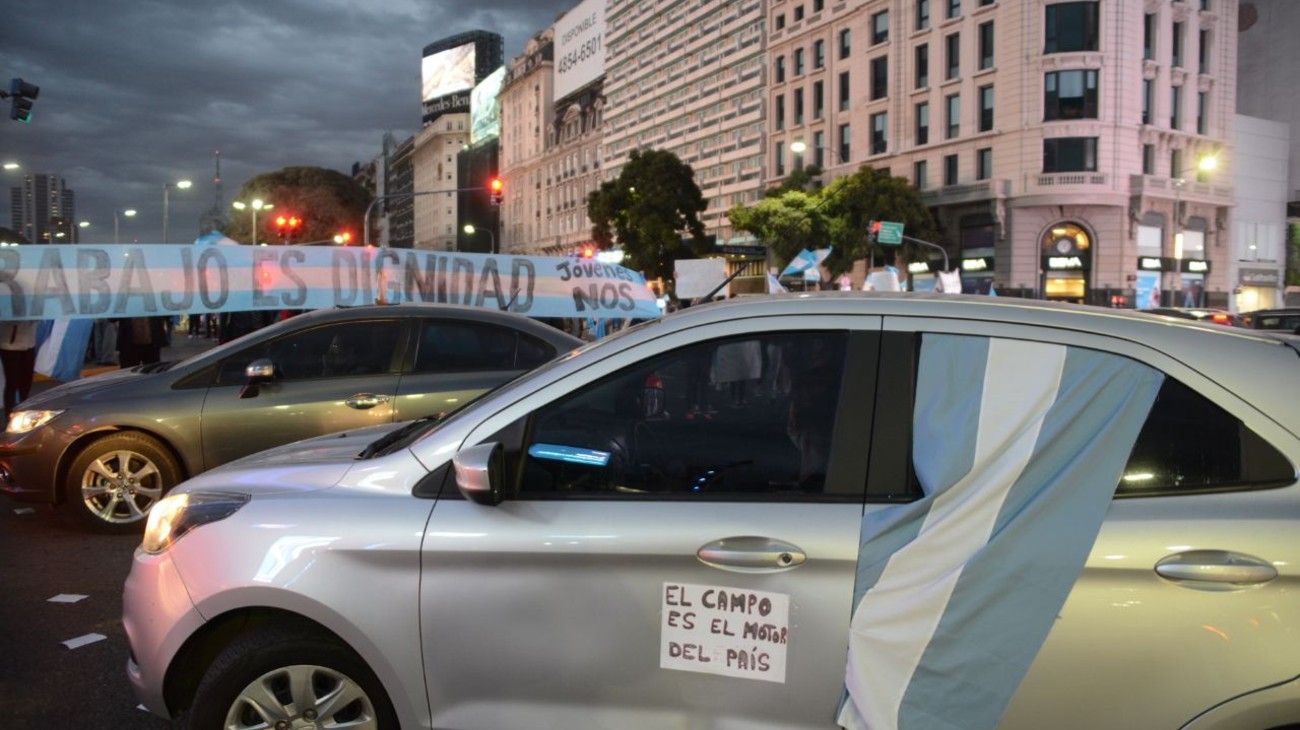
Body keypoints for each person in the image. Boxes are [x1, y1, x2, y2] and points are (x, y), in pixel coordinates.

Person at [0, 320, 38, 424]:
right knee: (12, 383)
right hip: (9, 346)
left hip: (29, 344)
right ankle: (10, 417)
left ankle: (24, 413)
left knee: (26, 382)